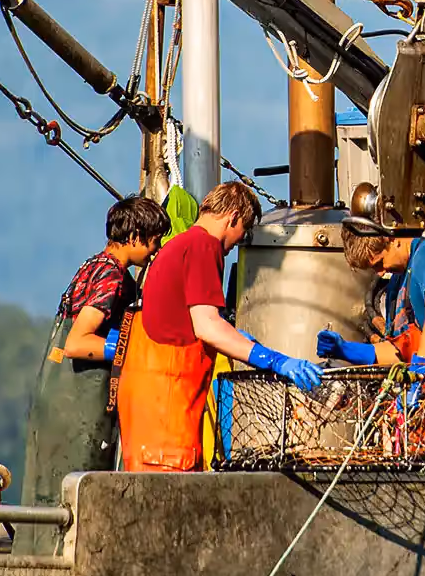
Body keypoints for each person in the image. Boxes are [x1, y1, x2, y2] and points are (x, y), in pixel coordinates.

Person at [118, 179, 322, 473]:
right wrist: (274, 360)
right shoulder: (204, 246)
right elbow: (208, 326)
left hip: (150, 412)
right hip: (167, 416)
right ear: (233, 218)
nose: (237, 242)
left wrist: (236, 336)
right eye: (242, 232)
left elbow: (187, 323)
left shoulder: (178, 245)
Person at [22, 193, 168, 548]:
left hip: (52, 404)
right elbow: (76, 342)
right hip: (78, 409)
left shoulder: (92, 266)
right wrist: (125, 348)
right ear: (133, 237)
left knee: (42, 499)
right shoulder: (113, 277)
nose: (155, 249)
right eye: (152, 241)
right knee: (71, 504)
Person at [324, 227, 425, 382]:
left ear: (392, 239)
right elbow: (402, 352)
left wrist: (418, 372)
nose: (380, 273)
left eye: (379, 263)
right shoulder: (398, 281)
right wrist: (345, 349)